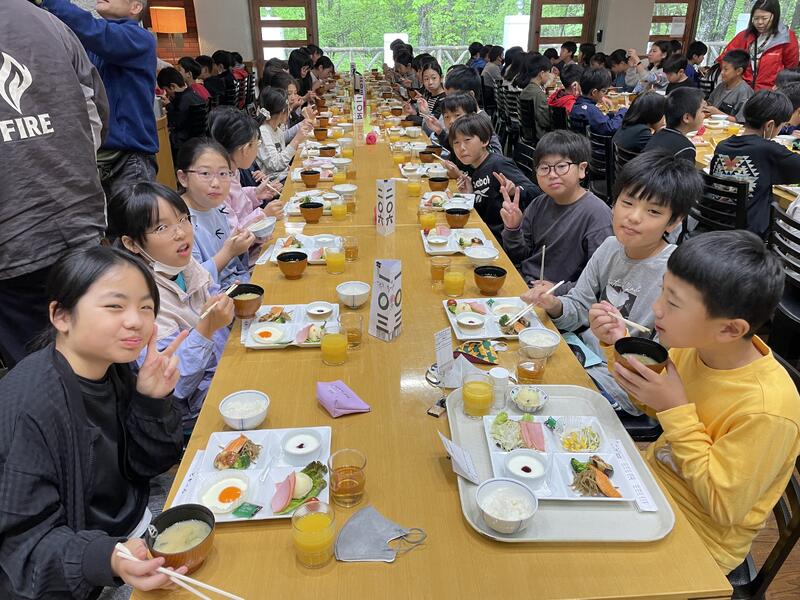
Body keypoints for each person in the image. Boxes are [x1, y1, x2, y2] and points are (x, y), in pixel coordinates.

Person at [592, 229, 800, 574]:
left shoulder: (768, 409)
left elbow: (723, 507)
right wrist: (618, 345)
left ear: (730, 329)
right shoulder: (695, 348)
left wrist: (675, 409)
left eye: (673, 303)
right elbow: (652, 405)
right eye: (663, 290)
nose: (656, 308)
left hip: (702, 539)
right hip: (651, 488)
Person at [0, 246, 187, 599]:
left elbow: (148, 465)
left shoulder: (112, 366)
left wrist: (151, 400)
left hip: (137, 525)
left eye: (146, 307)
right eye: (115, 306)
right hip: (82, 575)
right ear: (61, 316)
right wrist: (109, 559)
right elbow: (24, 550)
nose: (136, 321)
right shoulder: (29, 405)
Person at [522, 151, 700, 414]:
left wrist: (619, 341)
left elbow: (664, 367)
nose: (634, 217)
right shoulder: (610, 247)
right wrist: (555, 305)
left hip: (622, 388)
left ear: (673, 222)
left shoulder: (678, 274)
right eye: (627, 202)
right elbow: (578, 307)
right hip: (582, 355)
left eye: (653, 211)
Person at [0, 0, 108, 368]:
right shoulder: (48, 23)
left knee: (38, 368)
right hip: (77, 216)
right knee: (100, 345)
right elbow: (96, 114)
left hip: (13, 243)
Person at [108, 182, 233, 430]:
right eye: (161, 227)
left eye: (183, 219)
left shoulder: (182, 263)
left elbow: (213, 297)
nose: (181, 233)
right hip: (194, 414)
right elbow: (174, 387)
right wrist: (206, 329)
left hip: (225, 372)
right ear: (131, 244)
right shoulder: (139, 301)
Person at [33, 0, 158, 200]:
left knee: (134, 218)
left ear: (135, 7)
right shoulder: (98, 45)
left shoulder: (140, 38)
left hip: (129, 159)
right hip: (98, 156)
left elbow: (95, 31)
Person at [501, 131, 612, 293]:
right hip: (524, 284)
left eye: (561, 167)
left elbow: (601, 280)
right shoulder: (539, 203)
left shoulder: (597, 215)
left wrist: (556, 290)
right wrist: (513, 229)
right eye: (544, 168)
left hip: (561, 300)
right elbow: (519, 256)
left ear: (582, 169)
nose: (552, 175)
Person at [710, 90, 800, 238]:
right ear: (770, 125)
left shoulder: (722, 146)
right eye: (781, 127)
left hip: (717, 227)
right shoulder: (768, 150)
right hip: (750, 237)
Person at [176, 138, 254, 287]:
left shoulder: (218, 207)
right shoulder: (177, 221)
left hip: (238, 283)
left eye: (223, 174)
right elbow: (191, 282)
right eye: (205, 173)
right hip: (211, 297)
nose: (216, 183)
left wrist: (240, 243)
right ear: (183, 178)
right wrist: (229, 252)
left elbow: (234, 267)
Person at [449, 114, 541, 238]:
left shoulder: (498, 164)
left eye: (467, 140)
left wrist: (514, 190)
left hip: (501, 238)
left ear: (485, 141)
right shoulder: (476, 169)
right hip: (483, 232)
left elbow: (535, 192)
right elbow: (482, 210)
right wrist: (470, 194)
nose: (462, 148)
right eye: (456, 142)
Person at [207, 107, 284, 230]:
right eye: (258, 144)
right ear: (246, 149)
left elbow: (238, 201)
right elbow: (232, 233)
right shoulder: (217, 186)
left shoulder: (232, 171)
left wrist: (256, 194)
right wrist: (264, 215)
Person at [716, 0, 799, 91]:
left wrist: (779, 89)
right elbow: (725, 59)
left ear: (775, 16)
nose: (759, 22)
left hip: (769, 93)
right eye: (756, 18)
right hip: (741, 91)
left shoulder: (787, 37)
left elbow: (791, 70)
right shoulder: (744, 36)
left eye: (764, 18)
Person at [256, 87, 314, 182]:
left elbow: (281, 164)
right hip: (273, 184)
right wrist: (296, 140)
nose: (290, 110)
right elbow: (276, 165)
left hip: (281, 178)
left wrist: (287, 169)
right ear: (283, 111)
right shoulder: (263, 132)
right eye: (288, 107)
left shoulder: (277, 130)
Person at [644, 87, 704, 163]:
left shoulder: (658, 134)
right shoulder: (685, 148)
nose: (704, 115)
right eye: (702, 111)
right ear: (686, 118)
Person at [157, 66, 205, 153]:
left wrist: (168, 105)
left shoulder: (183, 100)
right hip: (199, 140)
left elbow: (176, 122)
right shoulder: (193, 94)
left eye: (166, 90)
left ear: (172, 86)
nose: (167, 94)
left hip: (185, 144)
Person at [569, 68, 627, 136]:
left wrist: (613, 115)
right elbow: (610, 128)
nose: (604, 95)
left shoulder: (578, 104)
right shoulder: (590, 109)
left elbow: (599, 122)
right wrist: (623, 111)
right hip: (590, 142)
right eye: (604, 91)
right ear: (594, 92)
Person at [705, 50, 755, 123]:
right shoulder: (721, 86)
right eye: (722, 68)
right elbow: (710, 103)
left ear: (739, 71)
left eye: (726, 69)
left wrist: (717, 113)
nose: (722, 72)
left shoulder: (745, 92)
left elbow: (741, 122)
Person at [518, 53, 555, 138]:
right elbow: (546, 122)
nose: (549, 75)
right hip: (541, 136)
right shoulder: (538, 94)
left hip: (527, 134)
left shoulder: (526, 90)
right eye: (548, 72)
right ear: (542, 74)